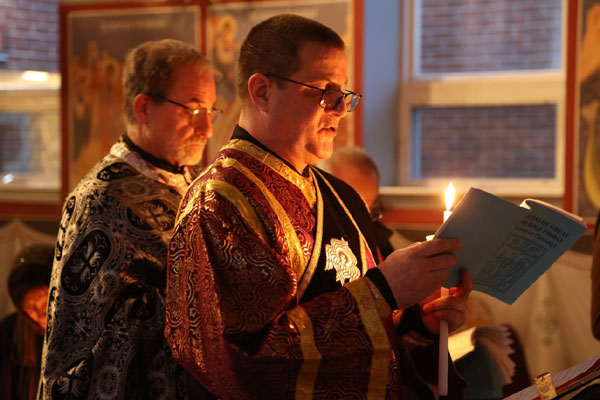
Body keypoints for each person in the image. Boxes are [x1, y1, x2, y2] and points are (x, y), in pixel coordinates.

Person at [165, 14, 472, 399]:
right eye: (324, 92)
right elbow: (240, 363)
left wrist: (419, 323)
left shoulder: (341, 197)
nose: (340, 109)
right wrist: (384, 290)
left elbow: (378, 343)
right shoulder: (219, 202)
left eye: (344, 94)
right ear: (262, 91)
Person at [38, 39, 219, 399]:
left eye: (211, 111)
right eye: (193, 110)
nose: (207, 128)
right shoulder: (100, 200)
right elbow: (85, 332)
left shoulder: (193, 183)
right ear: (144, 107)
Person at [318, 146, 412, 259]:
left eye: (371, 208)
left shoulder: (377, 231)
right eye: (356, 207)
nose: (364, 220)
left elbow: (406, 251)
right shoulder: (317, 240)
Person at [0, 244, 53, 400]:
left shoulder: (77, 331)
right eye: (30, 307)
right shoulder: (9, 332)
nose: (38, 313)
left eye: (44, 304)